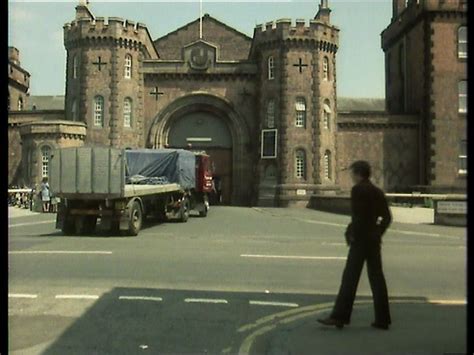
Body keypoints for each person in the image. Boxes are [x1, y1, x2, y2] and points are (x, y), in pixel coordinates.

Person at [318, 160, 392, 330]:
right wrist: (377, 232)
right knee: (377, 279)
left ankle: (340, 316)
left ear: (358, 174)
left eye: (352, 173)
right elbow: (387, 218)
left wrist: (350, 233)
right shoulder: (377, 192)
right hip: (373, 241)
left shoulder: (358, 190)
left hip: (360, 240)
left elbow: (358, 216)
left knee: (350, 279)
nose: (351, 176)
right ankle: (383, 319)